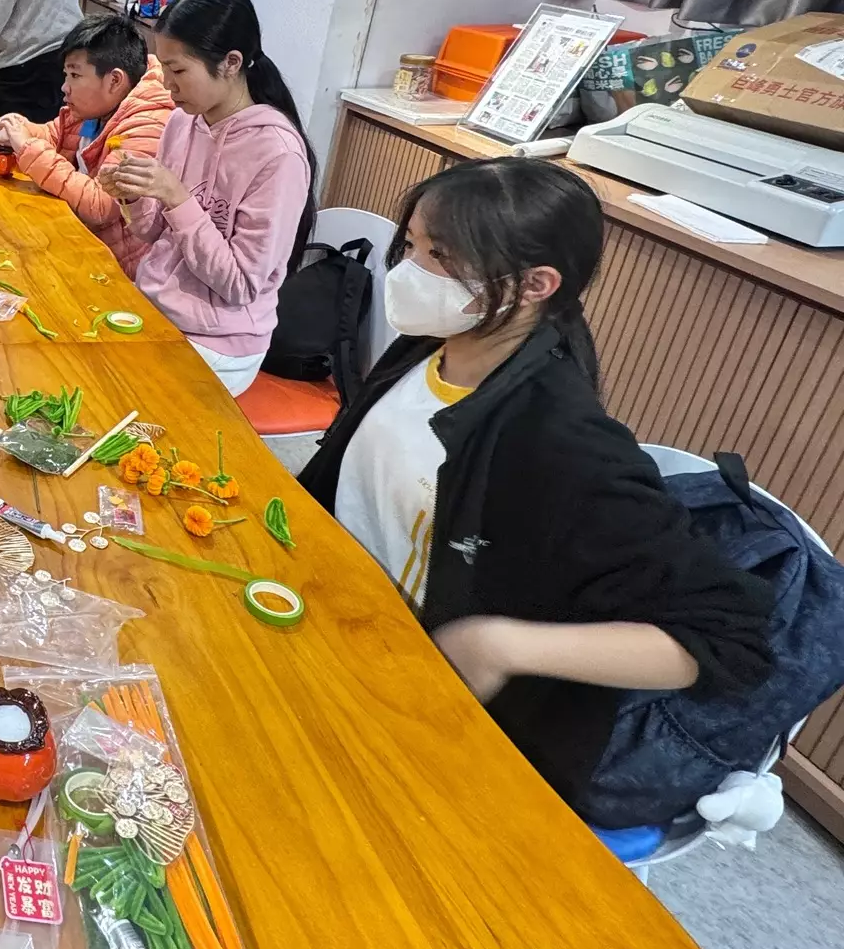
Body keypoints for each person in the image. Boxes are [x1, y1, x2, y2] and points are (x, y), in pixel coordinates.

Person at [298, 159, 773, 818]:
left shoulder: (564, 442)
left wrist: (501, 645)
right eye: (410, 245)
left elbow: (733, 638)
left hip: (424, 710)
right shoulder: (431, 346)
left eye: (440, 256)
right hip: (334, 624)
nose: (408, 271)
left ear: (534, 285)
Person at [99, 0, 312, 396]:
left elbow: (240, 286)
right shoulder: (183, 122)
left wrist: (177, 196)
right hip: (158, 308)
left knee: (104, 392)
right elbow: (152, 232)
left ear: (231, 63)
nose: (167, 84)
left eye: (179, 71)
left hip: (219, 341)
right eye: (164, 69)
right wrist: (132, 193)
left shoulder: (277, 154)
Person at [0, 14, 173, 273]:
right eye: (66, 75)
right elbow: (53, 135)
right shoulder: (93, 107)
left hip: (117, 268)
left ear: (114, 80)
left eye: (75, 75)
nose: (65, 87)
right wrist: (16, 129)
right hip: (79, 239)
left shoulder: (146, 123)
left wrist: (28, 148)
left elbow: (102, 206)